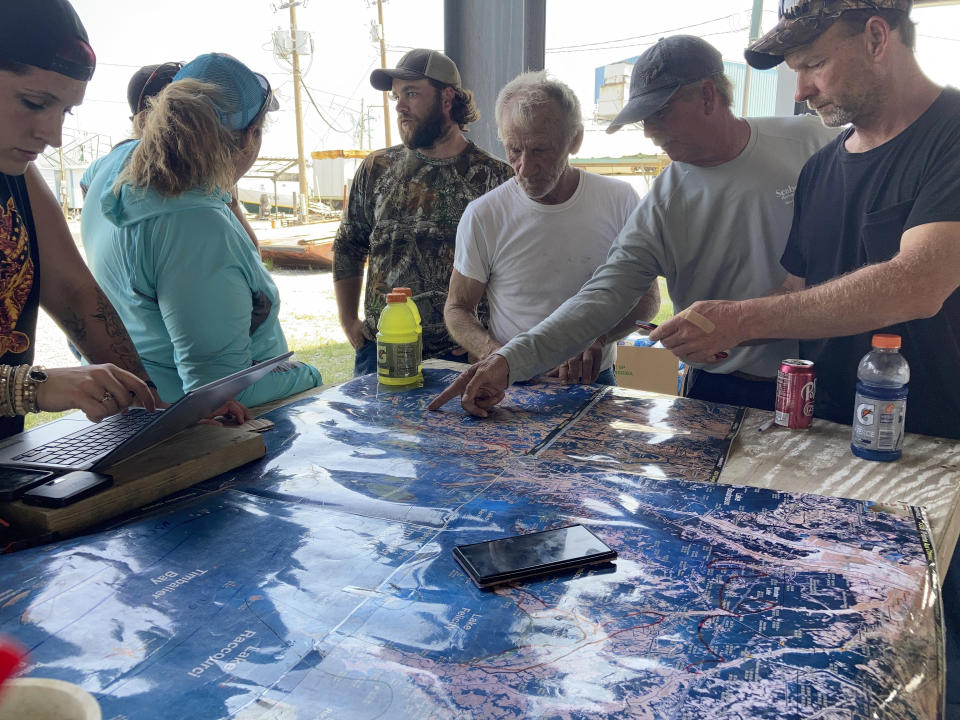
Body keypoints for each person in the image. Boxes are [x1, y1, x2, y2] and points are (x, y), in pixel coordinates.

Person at [429, 35, 836, 416]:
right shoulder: (664, 200)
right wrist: (507, 360)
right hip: (717, 389)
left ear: (708, 96)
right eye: (642, 117)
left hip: (833, 382)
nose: (648, 131)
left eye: (658, 112)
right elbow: (603, 295)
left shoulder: (813, 142)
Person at [648, 1, 960, 441]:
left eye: (814, 64)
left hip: (937, 444)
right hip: (824, 432)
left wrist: (743, 320)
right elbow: (797, 289)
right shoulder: (820, 168)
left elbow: (918, 283)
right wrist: (718, 334)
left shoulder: (951, 137)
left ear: (876, 38)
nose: (800, 91)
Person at [79, 52, 322, 407]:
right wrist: (306, 374)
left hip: (132, 397)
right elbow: (216, 392)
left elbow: (88, 185)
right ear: (249, 137)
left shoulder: (115, 164)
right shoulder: (197, 226)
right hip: (187, 422)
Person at [0, 0, 162, 439]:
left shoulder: (20, 175)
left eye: (64, 112)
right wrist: (28, 388)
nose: (52, 135)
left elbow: (74, 292)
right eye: (34, 102)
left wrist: (152, 407)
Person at [445, 71, 659, 386]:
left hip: (594, 380)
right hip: (515, 383)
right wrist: (497, 354)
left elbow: (647, 300)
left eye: (540, 150)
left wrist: (598, 338)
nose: (525, 168)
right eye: (513, 150)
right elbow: (457, 308)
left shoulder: (619, 200)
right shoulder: (484, 215)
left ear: (575, 140)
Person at [333, 48, 513, 377]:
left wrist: (483, 340)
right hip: (381, 351)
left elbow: (512, 268)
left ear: (447, 99)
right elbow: (349, 243)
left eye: (411, 94)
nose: (400, 106)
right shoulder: (376, 168)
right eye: (396, 96)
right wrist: (348, 319)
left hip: (460, 358)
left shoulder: (496, 178)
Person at [81, 61, 261, 253]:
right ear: (145, 120)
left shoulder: (107, 165)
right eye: (184, 114)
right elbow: (250, 250)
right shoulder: (177, 189)